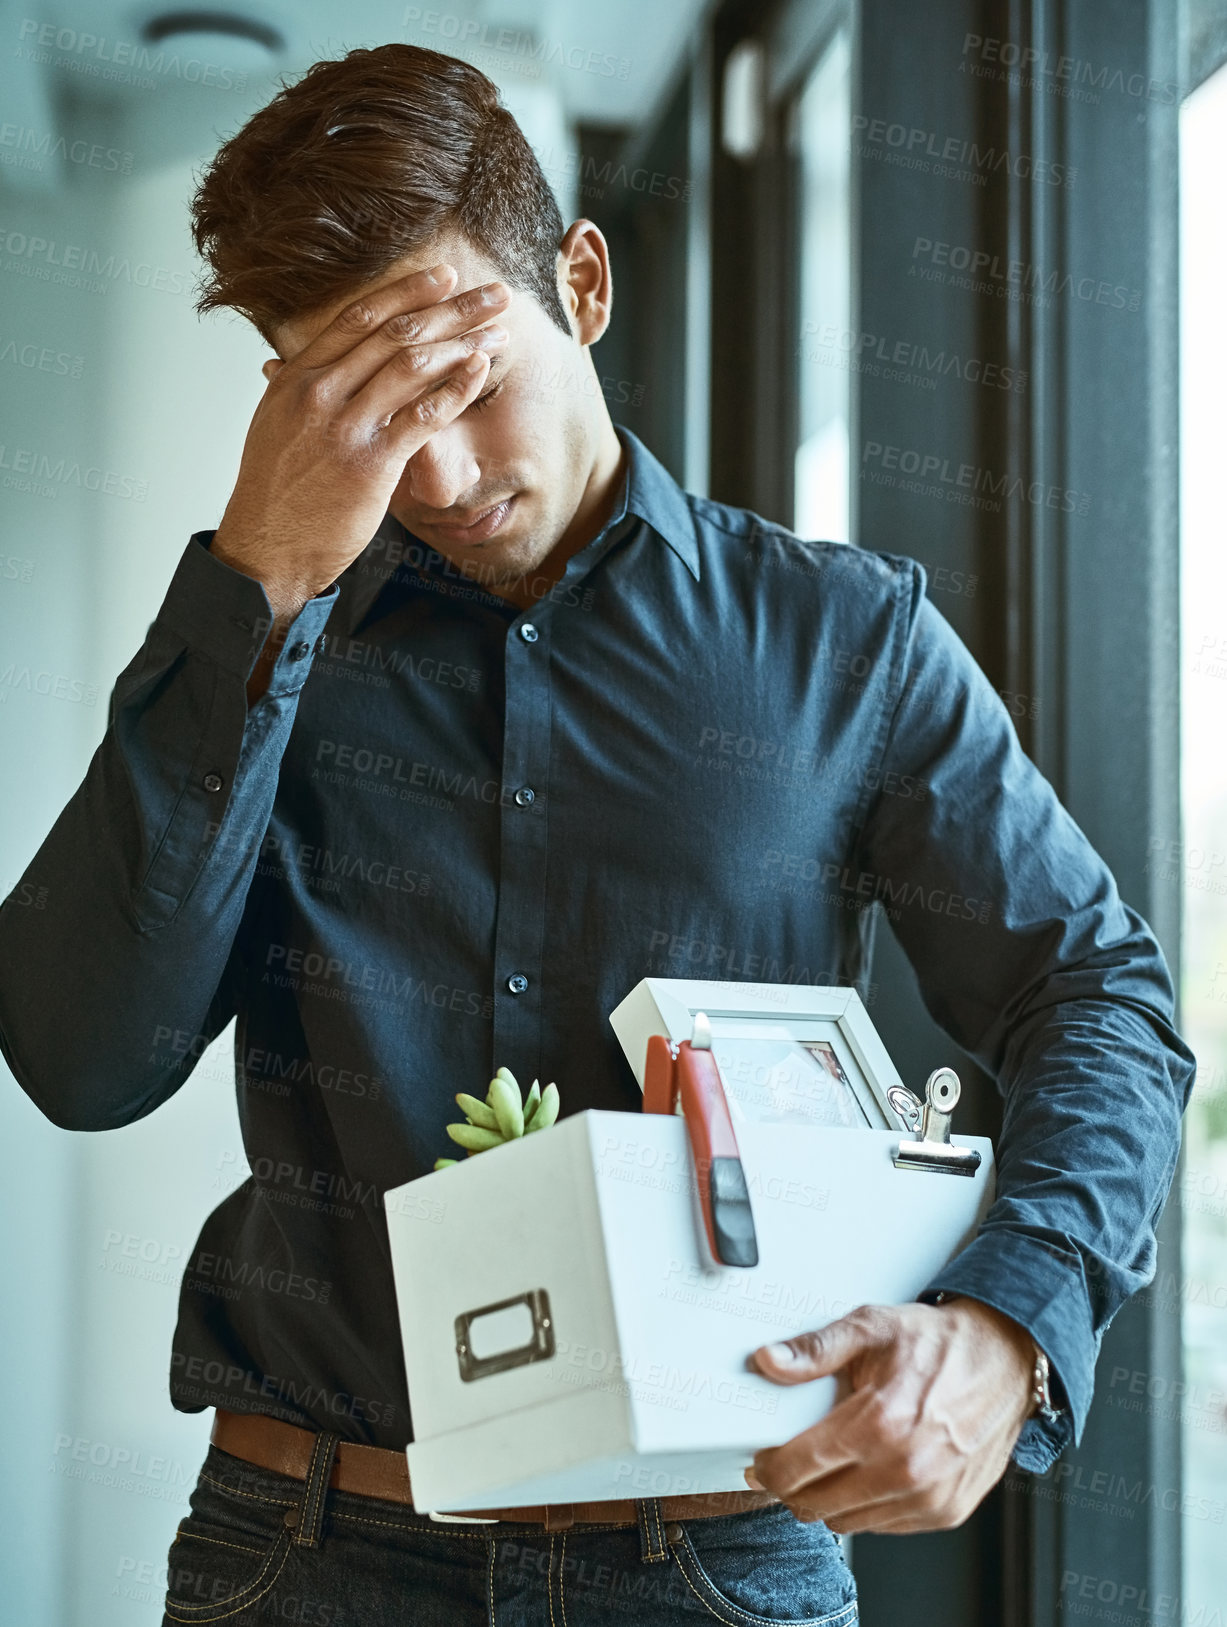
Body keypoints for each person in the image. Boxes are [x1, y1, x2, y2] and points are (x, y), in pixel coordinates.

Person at [0, 41, 1194, 1627]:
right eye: (359, 407)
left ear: (582, 281)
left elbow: (1098, 997)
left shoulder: (848, 641)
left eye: (467, 381)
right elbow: (84, 1062)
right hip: (304, 1552)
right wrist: (258, 580)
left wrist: (1011, 1325)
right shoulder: (258, 640)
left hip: (716, 1562)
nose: (430, 473)